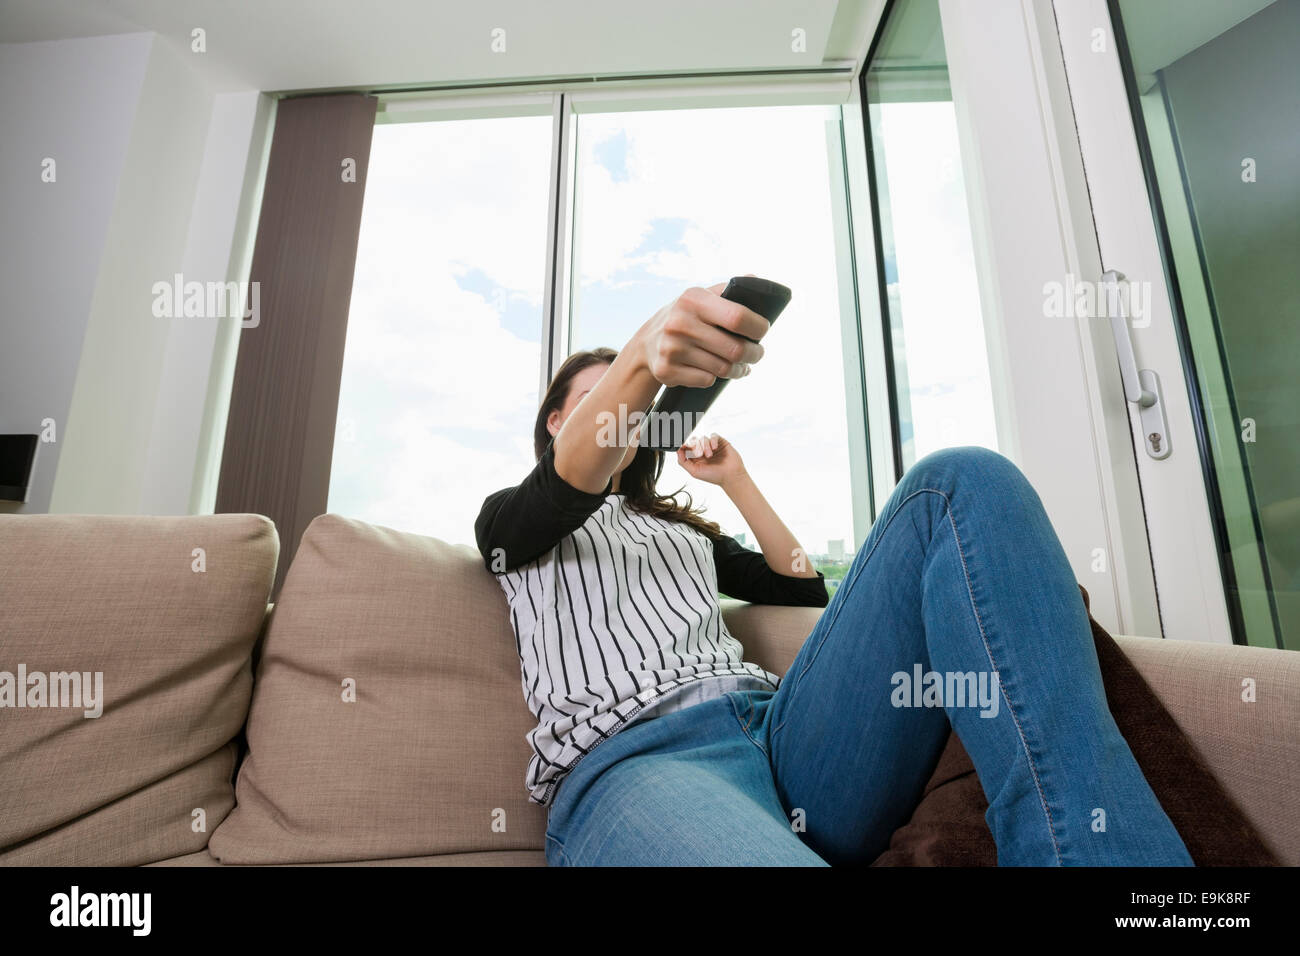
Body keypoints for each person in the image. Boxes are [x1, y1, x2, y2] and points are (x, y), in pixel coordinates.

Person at [474, 280, 1193, 867]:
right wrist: (640, 360)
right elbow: (568, 484)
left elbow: (801, 590)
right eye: (604, 403)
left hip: (788, 738)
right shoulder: (514, 523)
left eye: (635, 405)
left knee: (959, 483)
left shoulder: (676, 534)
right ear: (556, 422)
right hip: (640, 764)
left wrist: (737, 480)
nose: (626, 418)